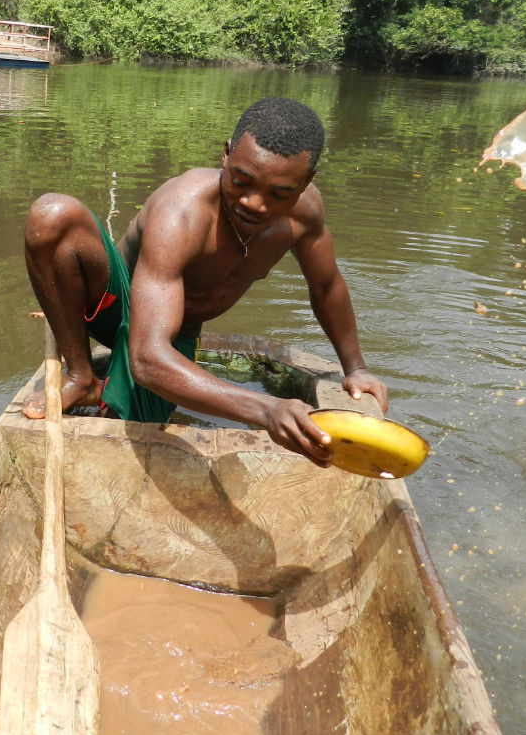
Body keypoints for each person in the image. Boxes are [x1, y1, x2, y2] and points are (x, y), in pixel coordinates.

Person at [22, 96, 388, 467]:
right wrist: (266, 409)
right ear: (226, 156)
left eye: (279, 193)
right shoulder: (184, 211)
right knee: (52, 216)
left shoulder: (306, 215)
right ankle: (82, 376)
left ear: (305, 182)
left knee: (124, 436)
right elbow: (148, 360)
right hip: (116, 307)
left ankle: (111, 392)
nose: (255, 204)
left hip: (173, 330)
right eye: (241, 181)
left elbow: (326, 286)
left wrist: (355, 368)